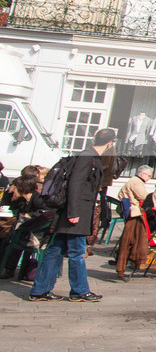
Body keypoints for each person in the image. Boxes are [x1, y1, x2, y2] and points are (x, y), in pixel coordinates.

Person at [29, 127, 118, 302]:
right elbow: (75, 184)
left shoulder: (90, 156)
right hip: (76, 213)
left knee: (55, 250)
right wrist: (74, 212)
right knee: (77, 252)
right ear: (109, 143)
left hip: (74, 211)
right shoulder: (87, 157)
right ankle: (79, 290)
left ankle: (40, 290)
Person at [0, 176, 47, 280]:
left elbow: (46, 214)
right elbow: (8, 205)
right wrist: (9, 194)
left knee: (12, 239)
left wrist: (31, 215)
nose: (12, 190)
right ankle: (7, 268)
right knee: (9, 237)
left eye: (15, 188)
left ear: (22, 188)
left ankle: (8, 269)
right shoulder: (23, 200)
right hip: (28, 232)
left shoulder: (37, 199)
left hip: (38, 235)